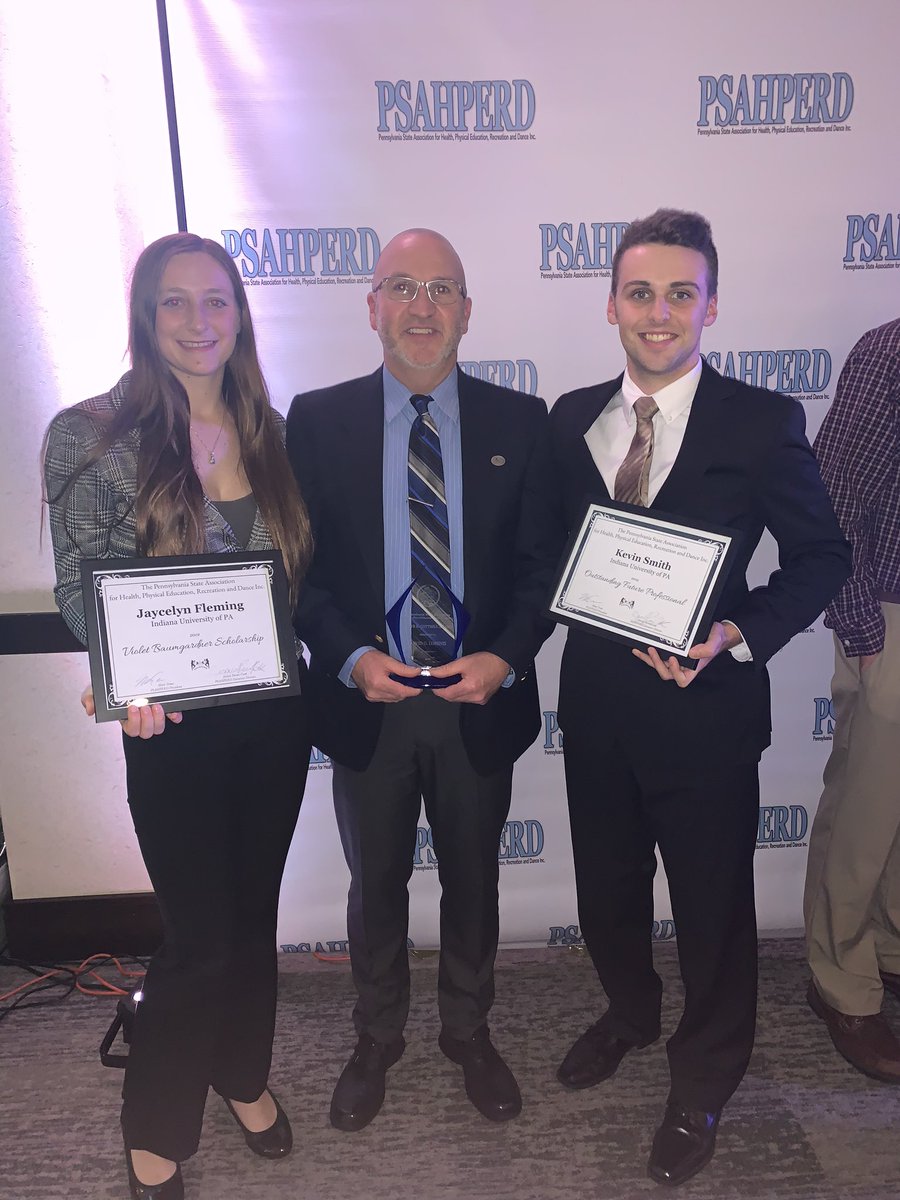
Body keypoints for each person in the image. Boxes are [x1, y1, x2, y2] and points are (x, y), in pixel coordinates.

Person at [548, 209, 851, 1186]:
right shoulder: (570, 417)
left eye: (682, 293)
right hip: (596, 708)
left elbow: (821, 557)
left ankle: (706, 1076)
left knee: (713, 911)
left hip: (706, 712)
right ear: (611, 304)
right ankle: (631, 1013)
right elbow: (552, 554)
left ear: (711, 306)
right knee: (606, 892)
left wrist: (734, 634)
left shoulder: (761, 422)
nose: (660, 312)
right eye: (640, 292)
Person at [43, 233, 313, 1200]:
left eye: (217, 301)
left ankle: (240, 1072)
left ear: (240, 316)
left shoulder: (268, 429)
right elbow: (80, 581)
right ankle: (155, 1124)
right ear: (144, 315)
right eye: (175, 301)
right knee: (198, 936)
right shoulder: (91, 434)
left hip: (273, 717)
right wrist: (121, 675)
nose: (199, 322)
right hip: (172, 728)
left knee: (251, 916)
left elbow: (289, 583)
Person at [287, 228, 559, 1131]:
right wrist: (350, 658)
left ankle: (468, 1031)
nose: (422, 307)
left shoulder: (522, 422)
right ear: (372, 306)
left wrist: (507, 657)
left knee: (474, 881)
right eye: (401, 287)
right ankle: (377, 1036)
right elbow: (299, 575)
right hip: (369, 701)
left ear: (468, 312)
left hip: (479, 699)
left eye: (442, 289)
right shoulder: (316, 421)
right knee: (376, 887)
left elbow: (544, 569)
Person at [803, 317, 900, 1082]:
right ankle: (841, 981)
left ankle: (889, 950)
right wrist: (864, 627)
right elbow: (833, 494)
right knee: (867, 816)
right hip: (894, 621)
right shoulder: (890, 352)